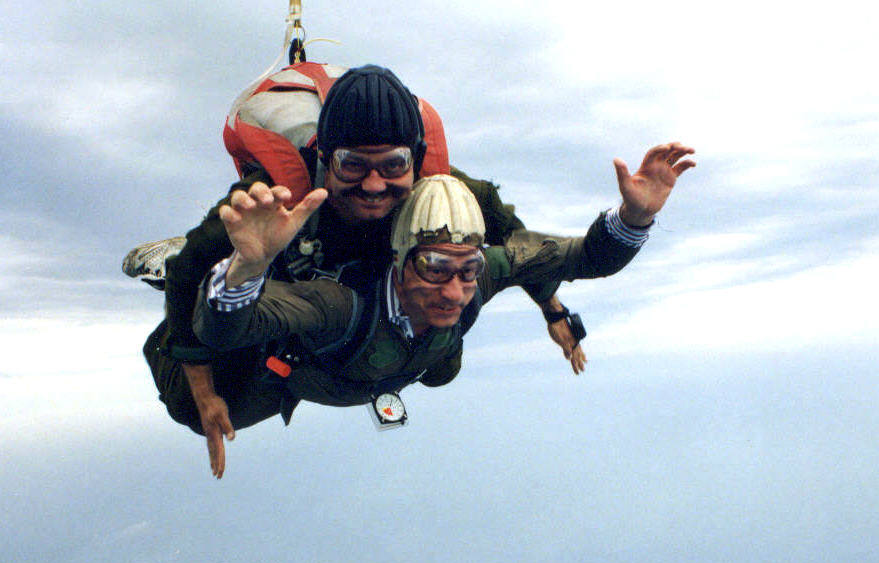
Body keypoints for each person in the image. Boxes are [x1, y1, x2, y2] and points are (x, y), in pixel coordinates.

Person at [148, 136, 693, 475]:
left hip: (396, 362)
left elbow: (579, 257)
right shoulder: (338, 305)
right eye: (434, 269)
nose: (455, 292)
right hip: (308, 368)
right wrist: (244, 271)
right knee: (195, 410)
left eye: (468, 269)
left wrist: (635, 218)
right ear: (400, 256)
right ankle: (190, 268)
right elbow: (226, 330)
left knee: (443, 369)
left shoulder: (483, 272)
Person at [139, 65, 590, 471]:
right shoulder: (271, 196)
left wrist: (551, 308)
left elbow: (513, 236)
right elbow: (186, 269)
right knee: (193, 408)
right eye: (352, 165)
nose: (374, 185)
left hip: (376, 304)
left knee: (441, 369)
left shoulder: (445, 190)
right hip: (292, 306)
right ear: (324, 160)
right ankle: (226, 279)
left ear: (414, 160)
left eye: (393, 165)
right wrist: (201, 385)